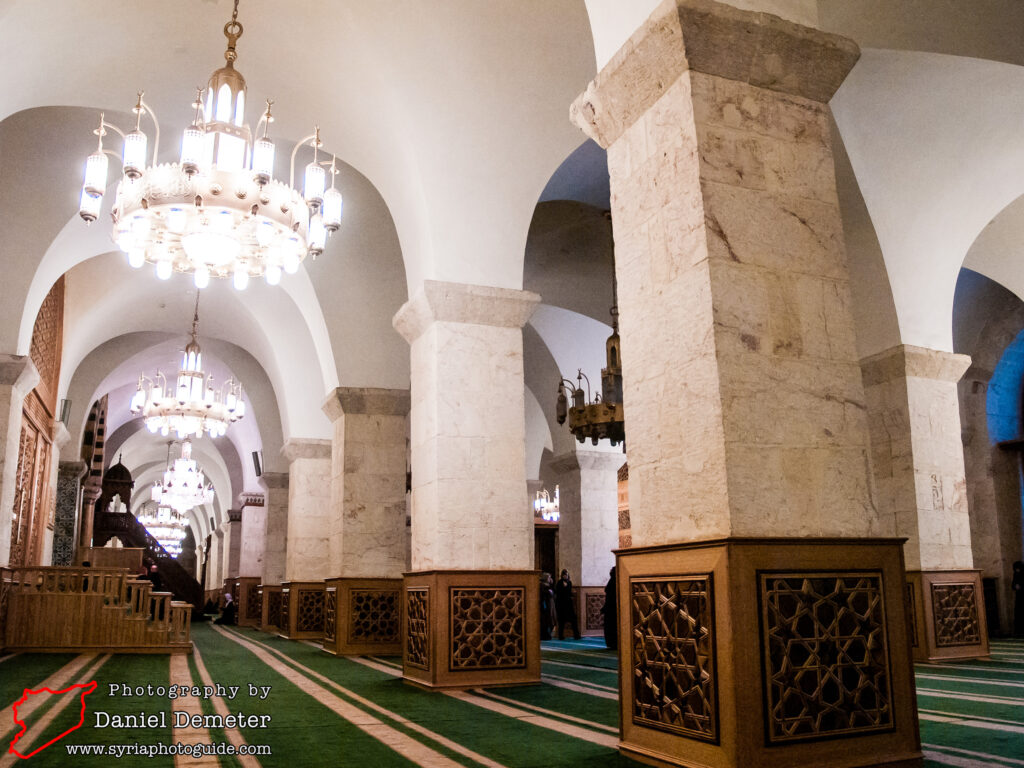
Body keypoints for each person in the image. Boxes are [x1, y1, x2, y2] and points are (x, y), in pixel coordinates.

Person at [554, 568, 580, 640]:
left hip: (568, 605)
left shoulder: (569, 582)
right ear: (562, 576)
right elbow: (559, 593)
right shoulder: (559, 583)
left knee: (573, 620)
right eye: (564, 575)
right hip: (561, 605)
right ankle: (560, 636)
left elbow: (568, 592)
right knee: (561, 621)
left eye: (566, 575)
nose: (565, 576)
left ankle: (576, 635)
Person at [602, 566, 618, 650]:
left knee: (610, 626)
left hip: (610, 608)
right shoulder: (614, 581)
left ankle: (612, 643)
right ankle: (613, 643)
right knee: (611, 626)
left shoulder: (613, 582)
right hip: (612, 608)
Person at [539, 573, 555, 640]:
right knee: (545, 621)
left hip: (549, 605)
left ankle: (547, 634)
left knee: (550, 620)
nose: (550, 579)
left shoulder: (547, 585)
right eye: (549, 578)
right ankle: (545, 635)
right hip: (545, 605)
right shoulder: (542, 585)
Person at [1013, 560, 1024, 638]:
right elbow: (1013, 584)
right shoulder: (1016, 574)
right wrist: (1015, 586)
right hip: (1019, 597)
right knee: (1019, 613)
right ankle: (1019, 631)